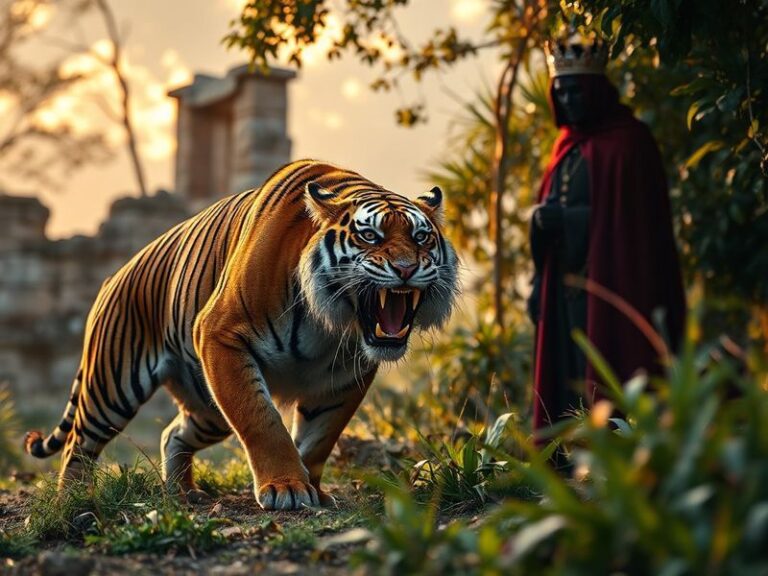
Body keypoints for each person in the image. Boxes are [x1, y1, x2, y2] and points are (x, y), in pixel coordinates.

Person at [528, 37, 686, 435]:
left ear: (596, 91)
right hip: (563, 281)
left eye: (575, 91)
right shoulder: (564, 145)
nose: (568, 101)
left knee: (606, 361)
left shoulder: (630, 143)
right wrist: (540, 222)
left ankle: (614, 450)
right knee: (565, 366)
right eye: (560, 93)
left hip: (614, 282)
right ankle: (568, 452)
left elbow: (634, 225)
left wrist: (569, 219)